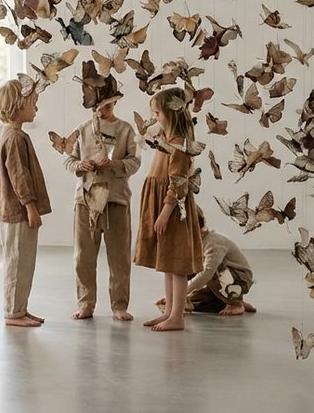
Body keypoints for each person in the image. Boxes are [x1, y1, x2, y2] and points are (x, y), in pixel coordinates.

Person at [64, 65, 140, 321]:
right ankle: (86, 303)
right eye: (98, 108)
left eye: (107, 107)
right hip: (85, 201)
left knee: (119, 256)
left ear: (114, 104)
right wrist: (79, 165)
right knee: (83, 255)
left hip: (117, 200)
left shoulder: (126, 130)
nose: (102, 112)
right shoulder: (83, 129)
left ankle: (119, 305)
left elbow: (134, 162)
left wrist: (116, 165)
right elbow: (69, 160)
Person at [133, 87, 205, 332]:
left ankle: (177, 316)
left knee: (177, 263)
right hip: (162, 205)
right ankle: (169, 312)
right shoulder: (166, 141)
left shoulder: (180, 145)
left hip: (174, 210)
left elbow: (178, 183)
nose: (154, 117)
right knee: (167, 262)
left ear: (171, 114)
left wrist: (165, 212)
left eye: (157, 113)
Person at [0, 78, 51, 328]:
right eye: (32, 102)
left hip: (18, 211)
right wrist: (31, 207)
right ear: (19, 105)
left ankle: (20, 309)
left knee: (24, 262)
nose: (36, 106)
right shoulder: (15, 138)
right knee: (17, 262)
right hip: (18, 212)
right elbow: (19, 177)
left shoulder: (16, 135)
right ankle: (13, 313)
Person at [179, 209, 257, 315]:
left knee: (215, 269)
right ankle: (233, 299)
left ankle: (235, 303)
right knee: (195, 301)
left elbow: (208, 272)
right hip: (221, 282)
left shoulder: (213, 242)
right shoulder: (197, 243)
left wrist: (183, 292)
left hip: (240, 279)